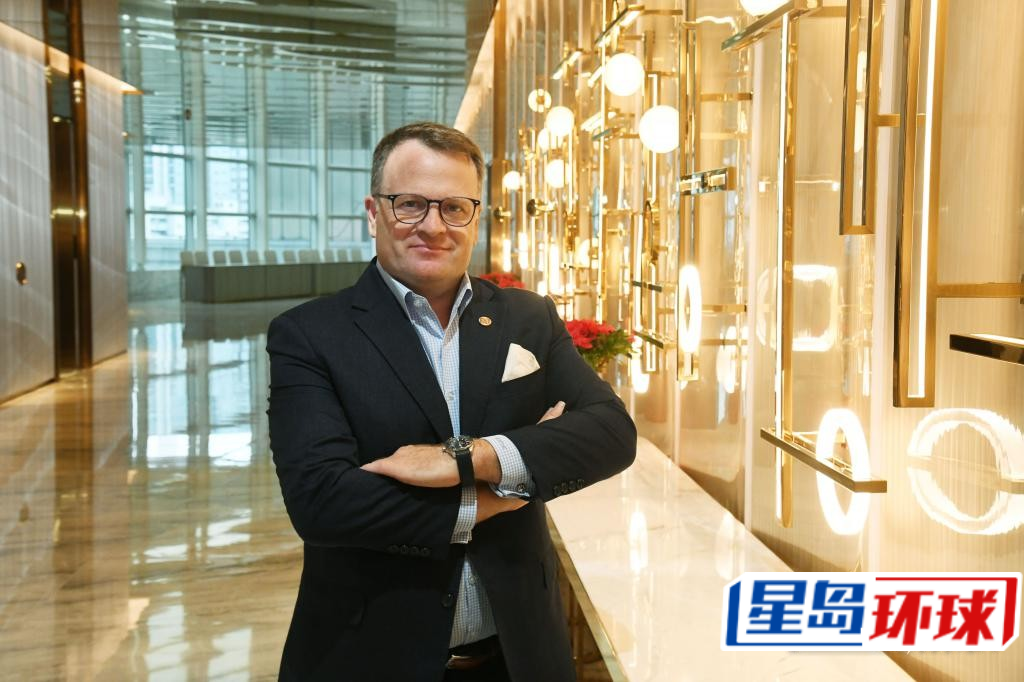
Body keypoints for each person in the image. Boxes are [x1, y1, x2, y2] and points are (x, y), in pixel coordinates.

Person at [266, 121, 636, 682]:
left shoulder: (528, 318)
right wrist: (499, 494)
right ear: (373, 212)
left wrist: (467, 458)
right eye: (410, 204)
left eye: (454, 208)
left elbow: (611, 433)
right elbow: (322, 502)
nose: (433, 226)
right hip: (371, 657)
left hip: (519, 656)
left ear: (475, 216)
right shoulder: (310, 335)